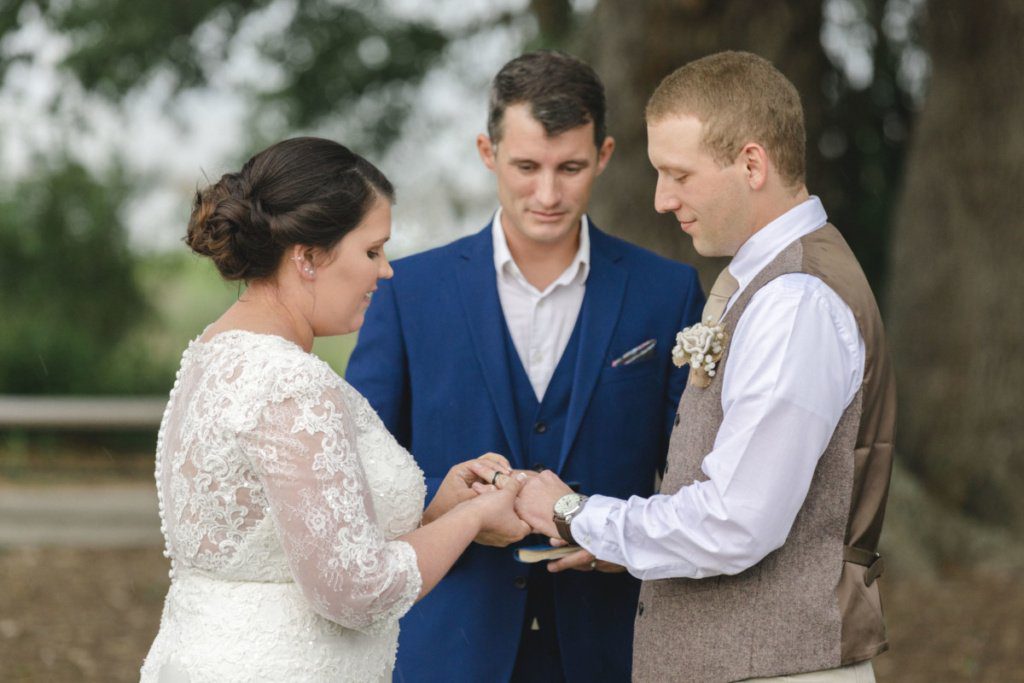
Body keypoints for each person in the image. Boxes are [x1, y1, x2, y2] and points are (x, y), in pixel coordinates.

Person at [516, 51, 897, 682]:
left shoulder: (794, 300)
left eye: (679, 174)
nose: (662, 199)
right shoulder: (769, 284)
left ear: (751, 163)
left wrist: (574, 513)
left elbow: (736, 522)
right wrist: (614, 544)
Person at [345, 51, 704, 682]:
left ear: (605, 154)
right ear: (487, 152)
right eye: (526, 167)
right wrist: (445, 515)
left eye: (570, 168)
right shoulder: (407, 291)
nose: (547, 193)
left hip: (613, 648)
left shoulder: (665, 292)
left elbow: (695, 474)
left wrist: (623, 549)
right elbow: (356, 475)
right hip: (447, 646)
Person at [140, 137, 530, 682]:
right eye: (372, 251)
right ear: (307, 257)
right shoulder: (291, 382)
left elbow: (284, 535)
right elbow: (356, 591)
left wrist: (435, 509)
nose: (386, 271)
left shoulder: (214, 353)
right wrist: (473, 519)